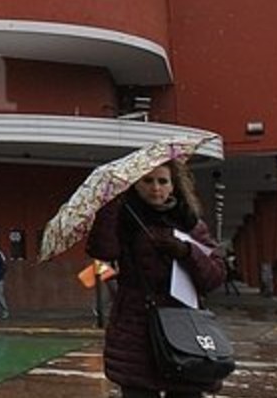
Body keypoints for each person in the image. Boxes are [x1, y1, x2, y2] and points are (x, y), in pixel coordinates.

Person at [87, 158, 227, 397]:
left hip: (184, 325)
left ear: (174, 186)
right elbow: (103, 251)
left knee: (187, 390)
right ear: (135, 185)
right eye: (147, 181)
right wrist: (109, 206)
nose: (156, 188)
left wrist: (186, 252)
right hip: (136, 327)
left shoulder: (190, 223)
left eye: (163, 181)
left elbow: (215, 276)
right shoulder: (125, 219)